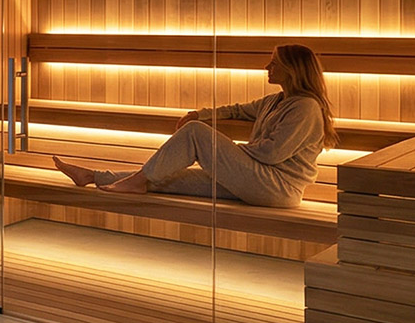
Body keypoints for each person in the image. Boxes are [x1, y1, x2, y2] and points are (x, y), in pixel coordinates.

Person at [52, 43, 338, 209]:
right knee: (171, 178)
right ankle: (92, 176)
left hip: (277, 187)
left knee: (194, 135)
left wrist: (225, 152)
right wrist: (200, 114)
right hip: (255, 180)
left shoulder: (305, 107)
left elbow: (272, 154)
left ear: (292, 69)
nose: (267, 67)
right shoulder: (276, 100)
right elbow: (238, 110)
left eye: (273, 63)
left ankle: (135, 182)